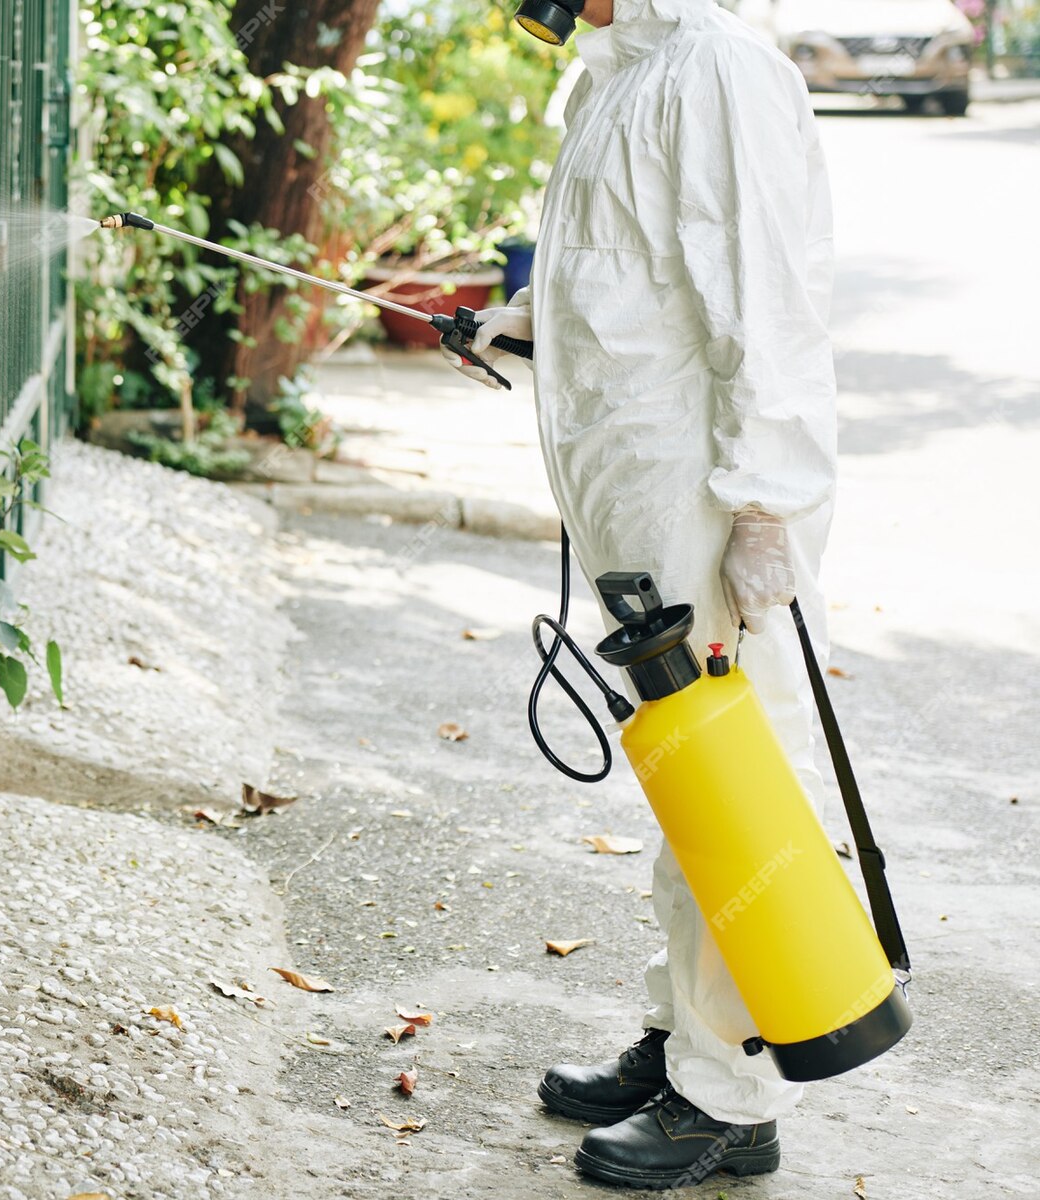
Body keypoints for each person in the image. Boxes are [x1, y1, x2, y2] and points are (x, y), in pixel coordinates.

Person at [446, 0, 839, 1187]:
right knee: (687, 787)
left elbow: (767, 300)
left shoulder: (717, 67)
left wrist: (767, 506)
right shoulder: (626, 73)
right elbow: (633, 285)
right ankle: (689, 1048)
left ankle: (735, 1094)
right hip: (637, 496)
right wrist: (523, 329)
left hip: (704, 504)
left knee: (734, 792)